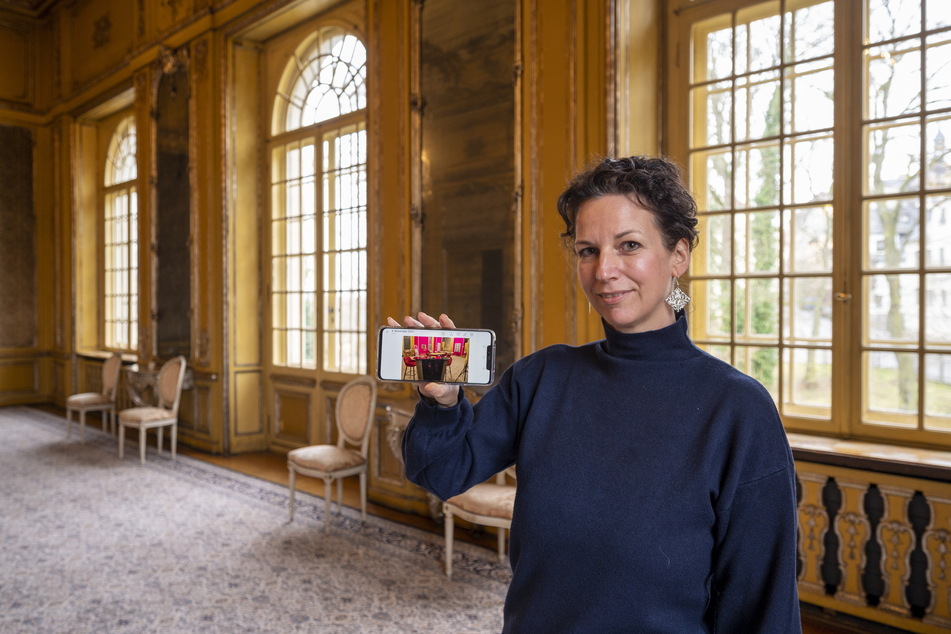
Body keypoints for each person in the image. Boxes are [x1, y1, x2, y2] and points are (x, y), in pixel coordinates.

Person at [389, 156, 801, 632]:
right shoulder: (543, 376)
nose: (605, 270)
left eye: (629, 245)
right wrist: (441, 403)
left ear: (678, 256)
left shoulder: (737, 409)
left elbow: (764, 607)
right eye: (587, 250)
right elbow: (439, 471)